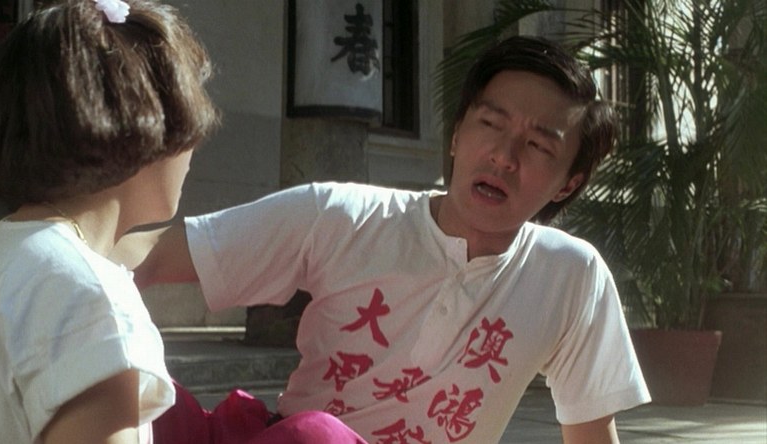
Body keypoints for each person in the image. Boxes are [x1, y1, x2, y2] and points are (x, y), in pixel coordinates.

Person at [115, 36, 651, 443]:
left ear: (569, 183)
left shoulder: (571, 276)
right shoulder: (342, 216)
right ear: (457, 134)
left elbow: (591, 433)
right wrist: (66, 264)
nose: (503, 156)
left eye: (537, 146)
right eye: (491, 124)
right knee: (126, 389)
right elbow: (146, 257)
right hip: (285, 438)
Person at [0, 1, 366, 443]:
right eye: (188, 126)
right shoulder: (86, 294)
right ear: (142, 130)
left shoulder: (6, 256)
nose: (192, 153)